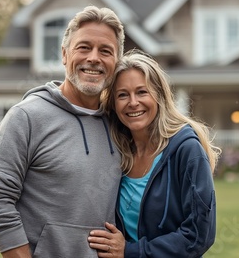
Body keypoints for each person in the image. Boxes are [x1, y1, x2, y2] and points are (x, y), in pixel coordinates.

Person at [0, 5, 125, 258]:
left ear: (116, 62)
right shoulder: (26, 117)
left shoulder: (121, 123)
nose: (94, 58)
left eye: (105, 51)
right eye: (84, 47)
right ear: (64, 54)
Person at [88, 49, 220, 257]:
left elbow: (198, 235)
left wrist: (131, 251)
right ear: (113, 103)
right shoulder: (117, 151)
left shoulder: (186, 149)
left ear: (159, 96)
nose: (133, 102)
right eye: (123, 95)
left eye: (142, 92)